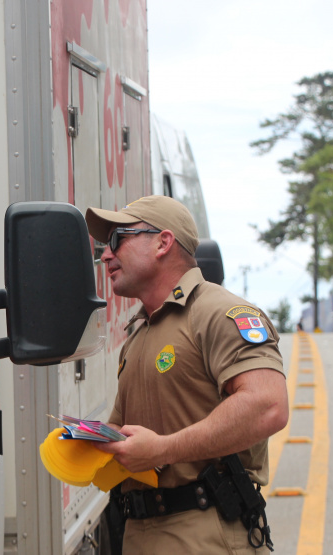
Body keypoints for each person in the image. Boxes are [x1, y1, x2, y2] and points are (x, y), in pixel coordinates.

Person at [84, 196, 289, 554]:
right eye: (104, 245)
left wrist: (162, 449)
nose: (105, 255)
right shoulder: (140, 335)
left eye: (118, 240)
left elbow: (267, 405)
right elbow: (130, 431)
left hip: (204, 531)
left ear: (163, 242)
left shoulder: (219, 312)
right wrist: (93, 439)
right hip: (142, 531)